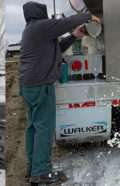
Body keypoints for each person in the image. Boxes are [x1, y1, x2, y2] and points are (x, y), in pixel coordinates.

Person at [19, 1, 101, 185]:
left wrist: (73, 36)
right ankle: (41, 173)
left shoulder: (32, 31)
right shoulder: (40, 27)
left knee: (33, 127)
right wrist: (89, 17)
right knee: (44, 129)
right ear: (40, 14)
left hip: (29, 85)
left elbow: (56, 49)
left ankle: (33, 169)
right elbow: (66, 22)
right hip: (41, 86)